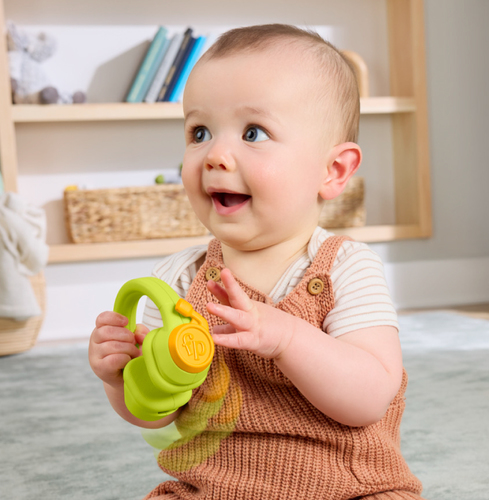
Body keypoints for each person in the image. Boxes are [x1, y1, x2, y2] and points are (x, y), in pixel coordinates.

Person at [89, 24, 424, 500]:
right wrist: (121, 377)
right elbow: (155, 411)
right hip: (215, 486)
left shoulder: (345, 268)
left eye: (253, 132)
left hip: (351, 488)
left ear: (333, 171)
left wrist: (286, 336)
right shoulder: (179, 280)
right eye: (199, 131)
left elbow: (370, 397)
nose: (215, 155)